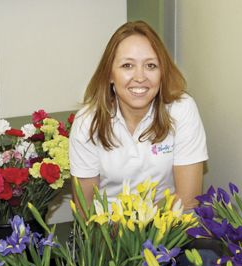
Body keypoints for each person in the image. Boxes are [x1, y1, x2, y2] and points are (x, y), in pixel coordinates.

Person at [69, 21, 207, 211]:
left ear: (162, 72)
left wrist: (131, 227)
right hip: (108, 235)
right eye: (127, 65)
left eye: (150, 65)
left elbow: (189, 197)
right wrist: (116, 236)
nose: (140, 77)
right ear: (109, 74)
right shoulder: (87, 120)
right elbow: (85, 208)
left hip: (169, 228)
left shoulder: (181, 108)